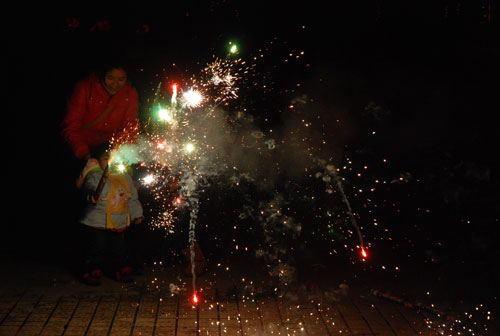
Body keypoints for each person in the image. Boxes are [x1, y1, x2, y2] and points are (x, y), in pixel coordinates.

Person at [77, 143, 143, 285]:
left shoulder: (125, 177)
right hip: (97, 220)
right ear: (98, 161)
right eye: (106, 158)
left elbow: (132, 198)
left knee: (118, 248)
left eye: (114, 158)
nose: (110, 162)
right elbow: (92, 186)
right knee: (96, 248)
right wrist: (99, 182)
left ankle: (117, 269)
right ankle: (91, 270)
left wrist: (136, 214)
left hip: (119, 219)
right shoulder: (95, 175)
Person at [62, 59, 140, 161]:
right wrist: (84, 154)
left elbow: (131, 127)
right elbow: (70, 127)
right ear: (102, 74)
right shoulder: (85, 88)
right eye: (110, 78)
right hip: (80, 146)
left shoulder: (130, 93)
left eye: (121, 79)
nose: (115, 84)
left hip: (109, 148)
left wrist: (125, 153)